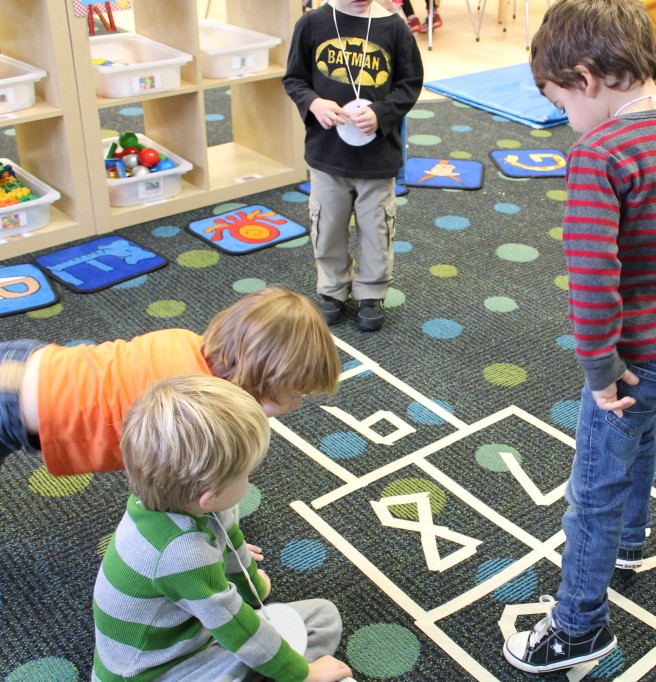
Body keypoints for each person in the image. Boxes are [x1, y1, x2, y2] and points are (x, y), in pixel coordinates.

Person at [502, 0, 656, 673]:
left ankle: (579, 626)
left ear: (585, 79)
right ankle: (631, 540)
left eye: (561, 103)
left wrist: (599, 366)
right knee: (639, 434)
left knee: (594, 486)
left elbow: (592, 275)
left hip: (635, 355)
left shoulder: (599, 153)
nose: (566, 119)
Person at [92, 374, 353, 681]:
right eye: (247, 474)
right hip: (155, 673)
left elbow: (230, 541)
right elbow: (236, 628)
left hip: (192, 638)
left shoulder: (189, 502)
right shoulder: (183, 554)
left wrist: (252, 587)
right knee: (278, 648)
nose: (251, 478)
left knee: (322, 617)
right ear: (209, 496)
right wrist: (303, 675)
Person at [0, 286, 341, 476]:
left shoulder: (185, 339)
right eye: (295, 392)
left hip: (24, 358)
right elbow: (176, 492)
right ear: (258, 380)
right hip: (12, 406)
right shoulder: (196, 409)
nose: (298, 403)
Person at [283, 0, 424, 332]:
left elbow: (410, 83)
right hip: (327, 155)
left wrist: (381, 113)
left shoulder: (394, 27)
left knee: (377, 229)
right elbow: (294, 79)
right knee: (327, 225)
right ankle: (332, 289)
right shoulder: (311, 24)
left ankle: (371, 292)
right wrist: (314, 103)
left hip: (377, 159)